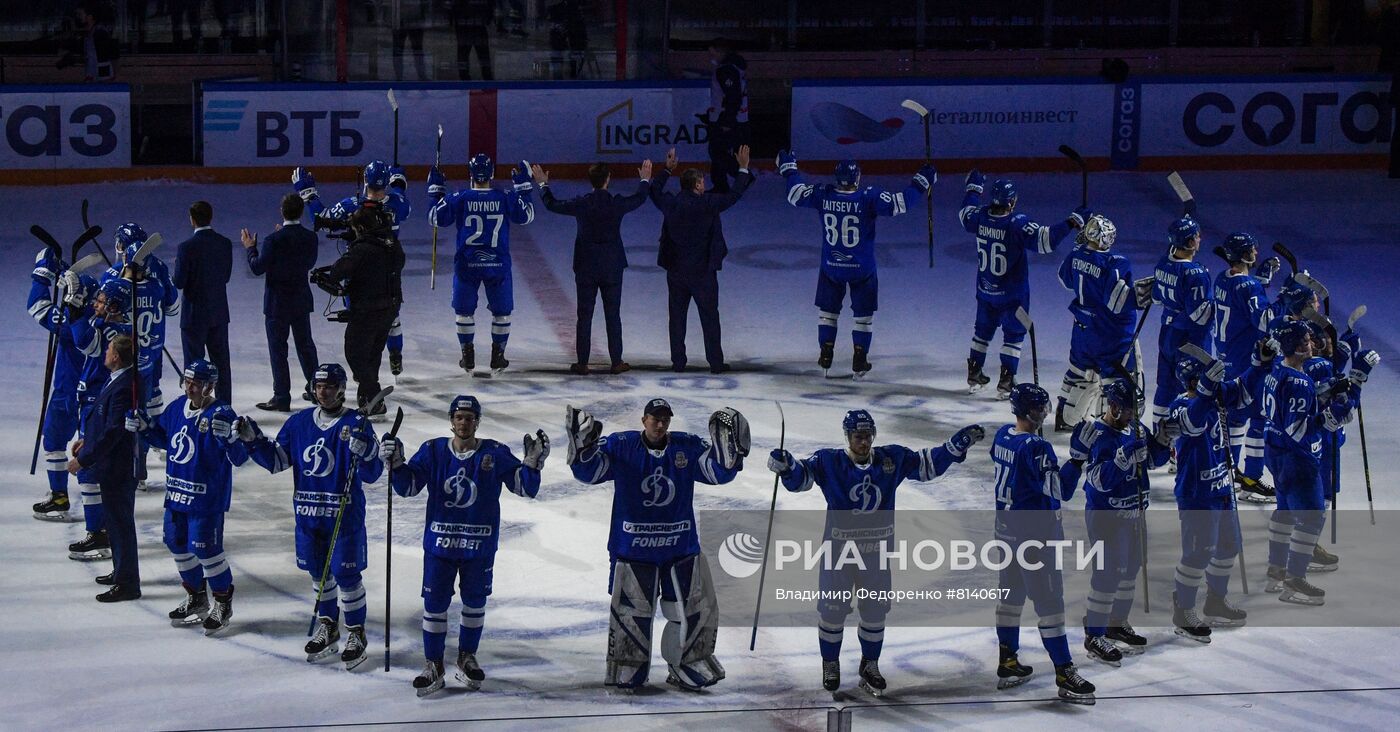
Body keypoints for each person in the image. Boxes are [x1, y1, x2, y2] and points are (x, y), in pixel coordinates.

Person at [767, 409, 982, 695]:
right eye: (858, 437)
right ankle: (830, 663)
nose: (864, 442)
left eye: (868, 436)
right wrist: (786, 466)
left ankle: (870, 664)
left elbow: (927, 465)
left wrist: (955, 447)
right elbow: (801, 478)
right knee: (832, 613)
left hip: (877, 555)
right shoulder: (829, 462)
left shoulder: (891, 458)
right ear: (848, 437)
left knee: (875, 613)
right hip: (839, 555)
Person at [566, 397, 749, 691]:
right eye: (654, 418)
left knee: (691, 610)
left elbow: (716, 473)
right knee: (633, 613)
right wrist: (582, 449)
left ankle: (686, 662)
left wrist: (730, 454)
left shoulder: (686, 446)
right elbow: (589, 473)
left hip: (680, 546)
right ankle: (629, 663)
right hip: (633, 548)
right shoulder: (621, 445)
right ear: (644, 420)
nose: (660, 424)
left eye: (665, 419)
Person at [378, 395, 549, 696]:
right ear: (451, 420)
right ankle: (433, 664)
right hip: (439, 547)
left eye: (470, 418)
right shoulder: (432, 451)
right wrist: (396, 463)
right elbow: (408, 487)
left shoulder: (494, 452)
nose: (464, 422)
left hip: (478, 547)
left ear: (477, 422)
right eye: (459, 417)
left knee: (474, 605)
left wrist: (532, 463)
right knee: (434, 607)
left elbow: (525, 488)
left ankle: (466, 657)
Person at [240, 363, 383, 668]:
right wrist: (254, 441)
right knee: (319, 574)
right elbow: (278, 461)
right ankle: (328, 625)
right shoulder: (299, 423)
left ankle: (356, 632)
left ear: (341, 389)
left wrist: (368, 450)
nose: (323, 392)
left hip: (344, 518)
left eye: (330, 386)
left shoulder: (357, 423)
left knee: (346, 576)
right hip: (307, 516)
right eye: (318, 386)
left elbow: (372, 474)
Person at [776, 151, 934, 377]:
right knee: (863, 317)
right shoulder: (869, 197)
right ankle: (860, 357)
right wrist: (922, 181)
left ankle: (826, 353)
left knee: (827, 314)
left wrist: (789, 168)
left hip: (832, 266)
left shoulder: (824, 194)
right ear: (857, 178)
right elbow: (901, 204)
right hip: (862, 269)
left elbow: (794, 194)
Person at [989, 383, 1095, 704]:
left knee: (1011, 599)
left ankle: (1007, 661)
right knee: (1050, 605)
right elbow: (1060, 490)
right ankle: (1064, 671)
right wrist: (1076, 459)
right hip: (1035, 539)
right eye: (1039, 409)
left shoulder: (1002, 436)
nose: (1044, 413)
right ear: (1027, 411)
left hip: (1007, 533)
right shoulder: (1037, 447)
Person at [125, 360, 247, 634]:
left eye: (197, 384)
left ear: (210, 386)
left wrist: (231, 439)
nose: (190, 388)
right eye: (187, 382)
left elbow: (239, 457)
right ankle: (196, 595)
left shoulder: (222, 413)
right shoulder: (176, 406)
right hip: (177, 493)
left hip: (206, 499)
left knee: (207, 550)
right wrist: (143, 427)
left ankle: (223, 601)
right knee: (175, 542)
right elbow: (162, 438)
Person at [1262, 321, 1376, 606]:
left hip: (1275, 453)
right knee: (1312, 517)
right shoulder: (1299, 382)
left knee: (1285, 510)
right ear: (1298, 346)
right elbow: (1301, 429)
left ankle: (1275, 571)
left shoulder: (1277, 370)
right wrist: (1356, 384)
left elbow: (1295, 405)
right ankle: (1294, 581)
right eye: (1307, 339)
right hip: (1297, 458)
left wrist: (1326, 390)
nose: (1313, 343)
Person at [1164, 349, 1268, 638]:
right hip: (1197, 494)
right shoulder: (1178, 407)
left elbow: (1244, 390)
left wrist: (1259, 363)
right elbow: (1193, 423)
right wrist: (1208, 390)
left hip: (1222, 490)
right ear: (1195, 380)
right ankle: (1183, 610)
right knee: (1198, 554)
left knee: (1228, 547)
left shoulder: (1217, 396)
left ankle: (1215, 601)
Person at [959, 173, 1090, 397]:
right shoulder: (1016, 223)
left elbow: (965, 214)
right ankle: (1007, 380)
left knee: (981, 332)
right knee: (1013, 335)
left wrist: (974, 188)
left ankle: (974, 372)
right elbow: (1046, 241)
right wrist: (1072, 221)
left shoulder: (980, 217)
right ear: (1011, 202)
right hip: (1012, 296)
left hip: (985, 291)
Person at [1068, 380, 1170, 667]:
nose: (1134, 416)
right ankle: (1095, 634)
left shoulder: (1135, 428)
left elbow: (1153, 461)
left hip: (1135, 514)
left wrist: (1162, 441)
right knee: (1107, 574)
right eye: (1129, 411)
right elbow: (1096, 480)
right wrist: (1122, 461)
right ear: (1113, 407)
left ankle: (1117, 621)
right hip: (1106, 519)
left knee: (1132, 568)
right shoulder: (1097, 436)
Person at [293, 160, 412, 376]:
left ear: (365, 179)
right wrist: (398, 182)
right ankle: (395, 355)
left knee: (360, 321)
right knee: (391, 317)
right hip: (389, 270)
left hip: (360, 270)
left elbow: (321, 218)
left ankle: (363, 371)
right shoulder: (398, 203)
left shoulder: (352, 205)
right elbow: (401, 203)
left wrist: (307, 192)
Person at [534, 160, 650, 375]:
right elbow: (640, 198)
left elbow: (552, 204)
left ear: (592, 181)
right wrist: (644, 179)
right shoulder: (615, 203)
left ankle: (583, 363)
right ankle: (616, 362)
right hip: (612, 267)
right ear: (608, 179)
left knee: (584, 316)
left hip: (586, 266)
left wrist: (542, 185)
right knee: (612, 314)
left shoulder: (582, 203)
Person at [649, 145, 754, 374]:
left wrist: (667, 170)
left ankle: (678, 362)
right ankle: (715, 362)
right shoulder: (708, 203)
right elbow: (734, 195)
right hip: (703, 272)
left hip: (676, 271)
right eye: (702, 182)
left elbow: (654, 191)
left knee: (676, 318)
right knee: (709, 317)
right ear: (697, 185)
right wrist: (743, 168)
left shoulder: (671, 203)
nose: (705, 185)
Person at [427, 154, 535, 374]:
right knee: (502, 313)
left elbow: (434, 218)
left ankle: (467, 357)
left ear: (470, 174)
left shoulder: (460, 197)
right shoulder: (504, 197)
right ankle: (498, 357)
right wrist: (523, 188)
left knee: (464, 313)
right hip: (498, 264)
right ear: (492, 173)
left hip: (467, 264)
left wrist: (436, 191)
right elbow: (527, 216)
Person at [63, 277, 133, 561]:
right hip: (94, 401)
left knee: (89, 470)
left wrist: (74, 307)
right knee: (91, 471)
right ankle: (99, 530)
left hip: (99, 403)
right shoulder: (110, 325)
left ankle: (98, 532)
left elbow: (82, 340)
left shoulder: (114, 331)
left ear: (114, 306)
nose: (96, 304)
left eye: (102, 301)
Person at [67, 334, 140, 602]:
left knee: (121, 525)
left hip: (118, 468)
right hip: (113, 466)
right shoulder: (120, 381)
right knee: (115, 522)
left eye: (109, 349)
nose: (105, 352)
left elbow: (113, 432)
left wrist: (84, 459)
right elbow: (106, 422)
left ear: (116, 357)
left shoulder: (124, 386)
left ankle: (128, 583)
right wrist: (87, 440)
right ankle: (120, 571)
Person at [311, 205, 404, 415]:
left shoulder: (361, 250)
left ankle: (374, 395)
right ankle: (367, 397)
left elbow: (337, 272)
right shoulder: (393, 244)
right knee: (373, 353)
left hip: (367, 311)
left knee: (355, 354)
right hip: (390, 308)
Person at [1212, 232, 1281, 502]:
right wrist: (1284, 300)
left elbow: (1240, 299)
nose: (1256, 250)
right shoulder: (1249, 286)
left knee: (1234, 417)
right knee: (1259, 418)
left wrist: (1260, 280)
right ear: (1244, 254)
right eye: (1252, 248)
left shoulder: (1222, 279)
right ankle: (1251, 478)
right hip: (1248, 361)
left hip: (1227, 358)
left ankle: (1228, 473)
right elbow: (1263, 321)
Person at [1055, 214, 1140, 431]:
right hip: (1109, 332)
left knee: (1077, 372)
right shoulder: (1115, 262)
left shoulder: (1075, 255)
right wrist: (1142, 295)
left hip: (1082, 329)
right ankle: (1110, 427)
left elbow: (1064, 280)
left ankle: (1064, 417)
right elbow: (1117, 302)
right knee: (1116, 378)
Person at [241, 193, 320, 412]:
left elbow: (257, 267)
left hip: (277, 304)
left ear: (282, 211)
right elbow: (309, 262)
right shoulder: (309, 237)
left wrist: (250, 247)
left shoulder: (273, 240)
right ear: (301, 212)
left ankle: (282, 396)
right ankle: (317, 389)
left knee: (278, 350)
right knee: (306, 347)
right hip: (301, 301)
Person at [29, 246, 86, 522]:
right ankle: (100, 511)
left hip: (68, 393)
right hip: (96, 396)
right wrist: (66, 273)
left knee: (53, 441)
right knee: (93, 452)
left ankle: (60, 496)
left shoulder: (68, 324)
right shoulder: (100, 320)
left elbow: (37, 306)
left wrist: (43, 274)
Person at [1150, 217, 1214, 425]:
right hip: (1191, 340)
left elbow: (1157, 298)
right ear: (1188, 243)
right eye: (1196, 236)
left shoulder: (1162, 263)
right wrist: (1220, 302)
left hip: (1167, 333)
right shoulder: (1196, 274)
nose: (1200, 239)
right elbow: (1200, 315)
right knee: (1192, 389)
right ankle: (1183, 441)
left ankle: (1158, 437)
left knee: (1165, 386)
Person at [174, 201, 234, 405]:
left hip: (194, 315)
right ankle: (225, 404)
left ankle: (194, 405)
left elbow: (180, 282)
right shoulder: (224, 243)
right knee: (221, 363)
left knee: (193, 363)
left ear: (192, 219)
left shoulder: (186, 248)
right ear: (211, 217)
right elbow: (225, 276)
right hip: (218, 312)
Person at [702, 38, 749, 194]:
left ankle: (740, 176)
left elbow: (733, 96)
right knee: (717, 151)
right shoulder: (731, 68)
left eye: (712, 52)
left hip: (728, 119)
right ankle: (721, 184)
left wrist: (727, 120)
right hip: (729, 117)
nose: (710, 55)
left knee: (718, 152)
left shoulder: (726, 70)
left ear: (719, 51)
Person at [450, 0, 494, 80]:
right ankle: (487, 78)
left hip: (465, 23)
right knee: (482, 53)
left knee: (464, 53)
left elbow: (453, 6)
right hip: (476, 22)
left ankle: (465, 78)